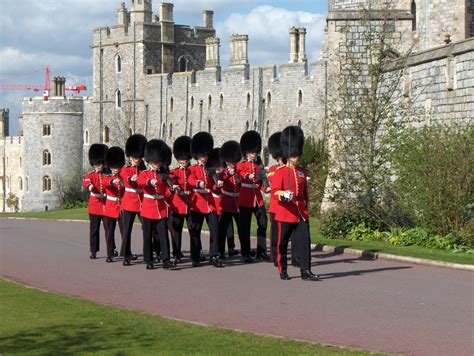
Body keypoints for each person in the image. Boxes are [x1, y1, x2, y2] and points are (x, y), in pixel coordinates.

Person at [271, 126, 319, 281]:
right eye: (294, 155)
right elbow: (275, 191)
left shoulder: (302, 172)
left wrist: (306, 208)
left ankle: (306, 270)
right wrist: (284, 195)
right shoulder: (280, 171)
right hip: (285, 211)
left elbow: (305, 194)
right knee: (282, 243)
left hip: (300, 211)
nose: (297, 157)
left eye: (298, 154)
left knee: (305, 242)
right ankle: (282, 269)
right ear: (288, 155)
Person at [137, 139, 176, 270]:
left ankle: (166, 259)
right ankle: (149, 260)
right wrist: (150, 182)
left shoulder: (164, 175)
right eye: (155, 162)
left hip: (161, 209)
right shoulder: (144, 173)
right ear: (149, 162)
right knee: (147, 236)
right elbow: (141, 181)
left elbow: (166, 193)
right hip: (148, 209)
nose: (157, 164)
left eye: (159, 162)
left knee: (164, 235)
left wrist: (171, 190)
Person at [187, 132, 223, 268]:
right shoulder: (192, 168)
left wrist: (217, 185)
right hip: (197, 203)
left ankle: (214, 255)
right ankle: (195, 256)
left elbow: (213, 186)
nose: (205, 158)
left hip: (210, 203)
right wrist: (198, 183)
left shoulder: (211, 168)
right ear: (197, 155)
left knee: (215, 230)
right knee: (195, 231)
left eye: (206, 155)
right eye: (202, 155)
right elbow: (190, 179)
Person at [236, 130, 270, 262]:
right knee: (245, 227)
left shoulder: (258, 166)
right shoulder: (241, 165)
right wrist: (248, 176)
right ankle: (245, 253)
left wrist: (266, 188)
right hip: (245, 199)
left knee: (263, 223)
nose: (254, 154)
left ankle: (261, 251)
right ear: (246, 153)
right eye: (252, 152)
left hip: (258, 199)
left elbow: (261, 181)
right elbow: (240, 173)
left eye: (255, 152)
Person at [120, 134, 147, 266]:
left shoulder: (144, 169)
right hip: (129, 203)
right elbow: (127, 179)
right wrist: (132, 179)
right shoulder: (126, 169)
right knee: (127, 230)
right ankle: (126, 255)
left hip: (142, 203)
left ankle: (151, 252)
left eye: (139, 157)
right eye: (135, 157)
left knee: (148, 229)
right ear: (130, 157)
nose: (137, 160)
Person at [168, 136, 192, 263]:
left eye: (186, 159)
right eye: (181, 160)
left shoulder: (192, 171)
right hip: (177, 204)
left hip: (191, 204)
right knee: (176, 231)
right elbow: (171, 183)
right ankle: (176, 253)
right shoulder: (174, 172)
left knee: (193, 230)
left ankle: (195, 253)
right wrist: (174, 187)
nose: (184, 161)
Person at [83, 143, 109, 259]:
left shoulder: (107, 175)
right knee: (94, 230)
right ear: (94, 164)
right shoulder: (90, 175)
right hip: (95, 205)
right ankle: (93, 251)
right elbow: (87, 182)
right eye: (98, 164)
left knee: (109, 230)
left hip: (106, 204)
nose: (100, 166)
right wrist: (90, 187)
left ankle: (111, 249)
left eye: (102, 163)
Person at [218, 140, 242, 258]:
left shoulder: (239, 171)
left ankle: (244, 250)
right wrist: (228, 173)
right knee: (223, 229)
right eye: (230, 161)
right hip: (227, 202)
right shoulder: (223, 171)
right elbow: (220, 181)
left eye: (233, 161)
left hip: (238, 202)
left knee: (242, 228)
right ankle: (220, 251)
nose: (232, 163)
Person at [102, 146, 125, 263]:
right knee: (110, 231)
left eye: (117, 167)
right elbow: (106, 183)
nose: (116, 169)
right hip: (111, 207)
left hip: (122, 207)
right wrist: (113, 181)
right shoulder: (107, 177)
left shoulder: (123, 177)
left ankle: (126, 252)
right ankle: (110, 253)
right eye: (114, 167)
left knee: (124, 231)